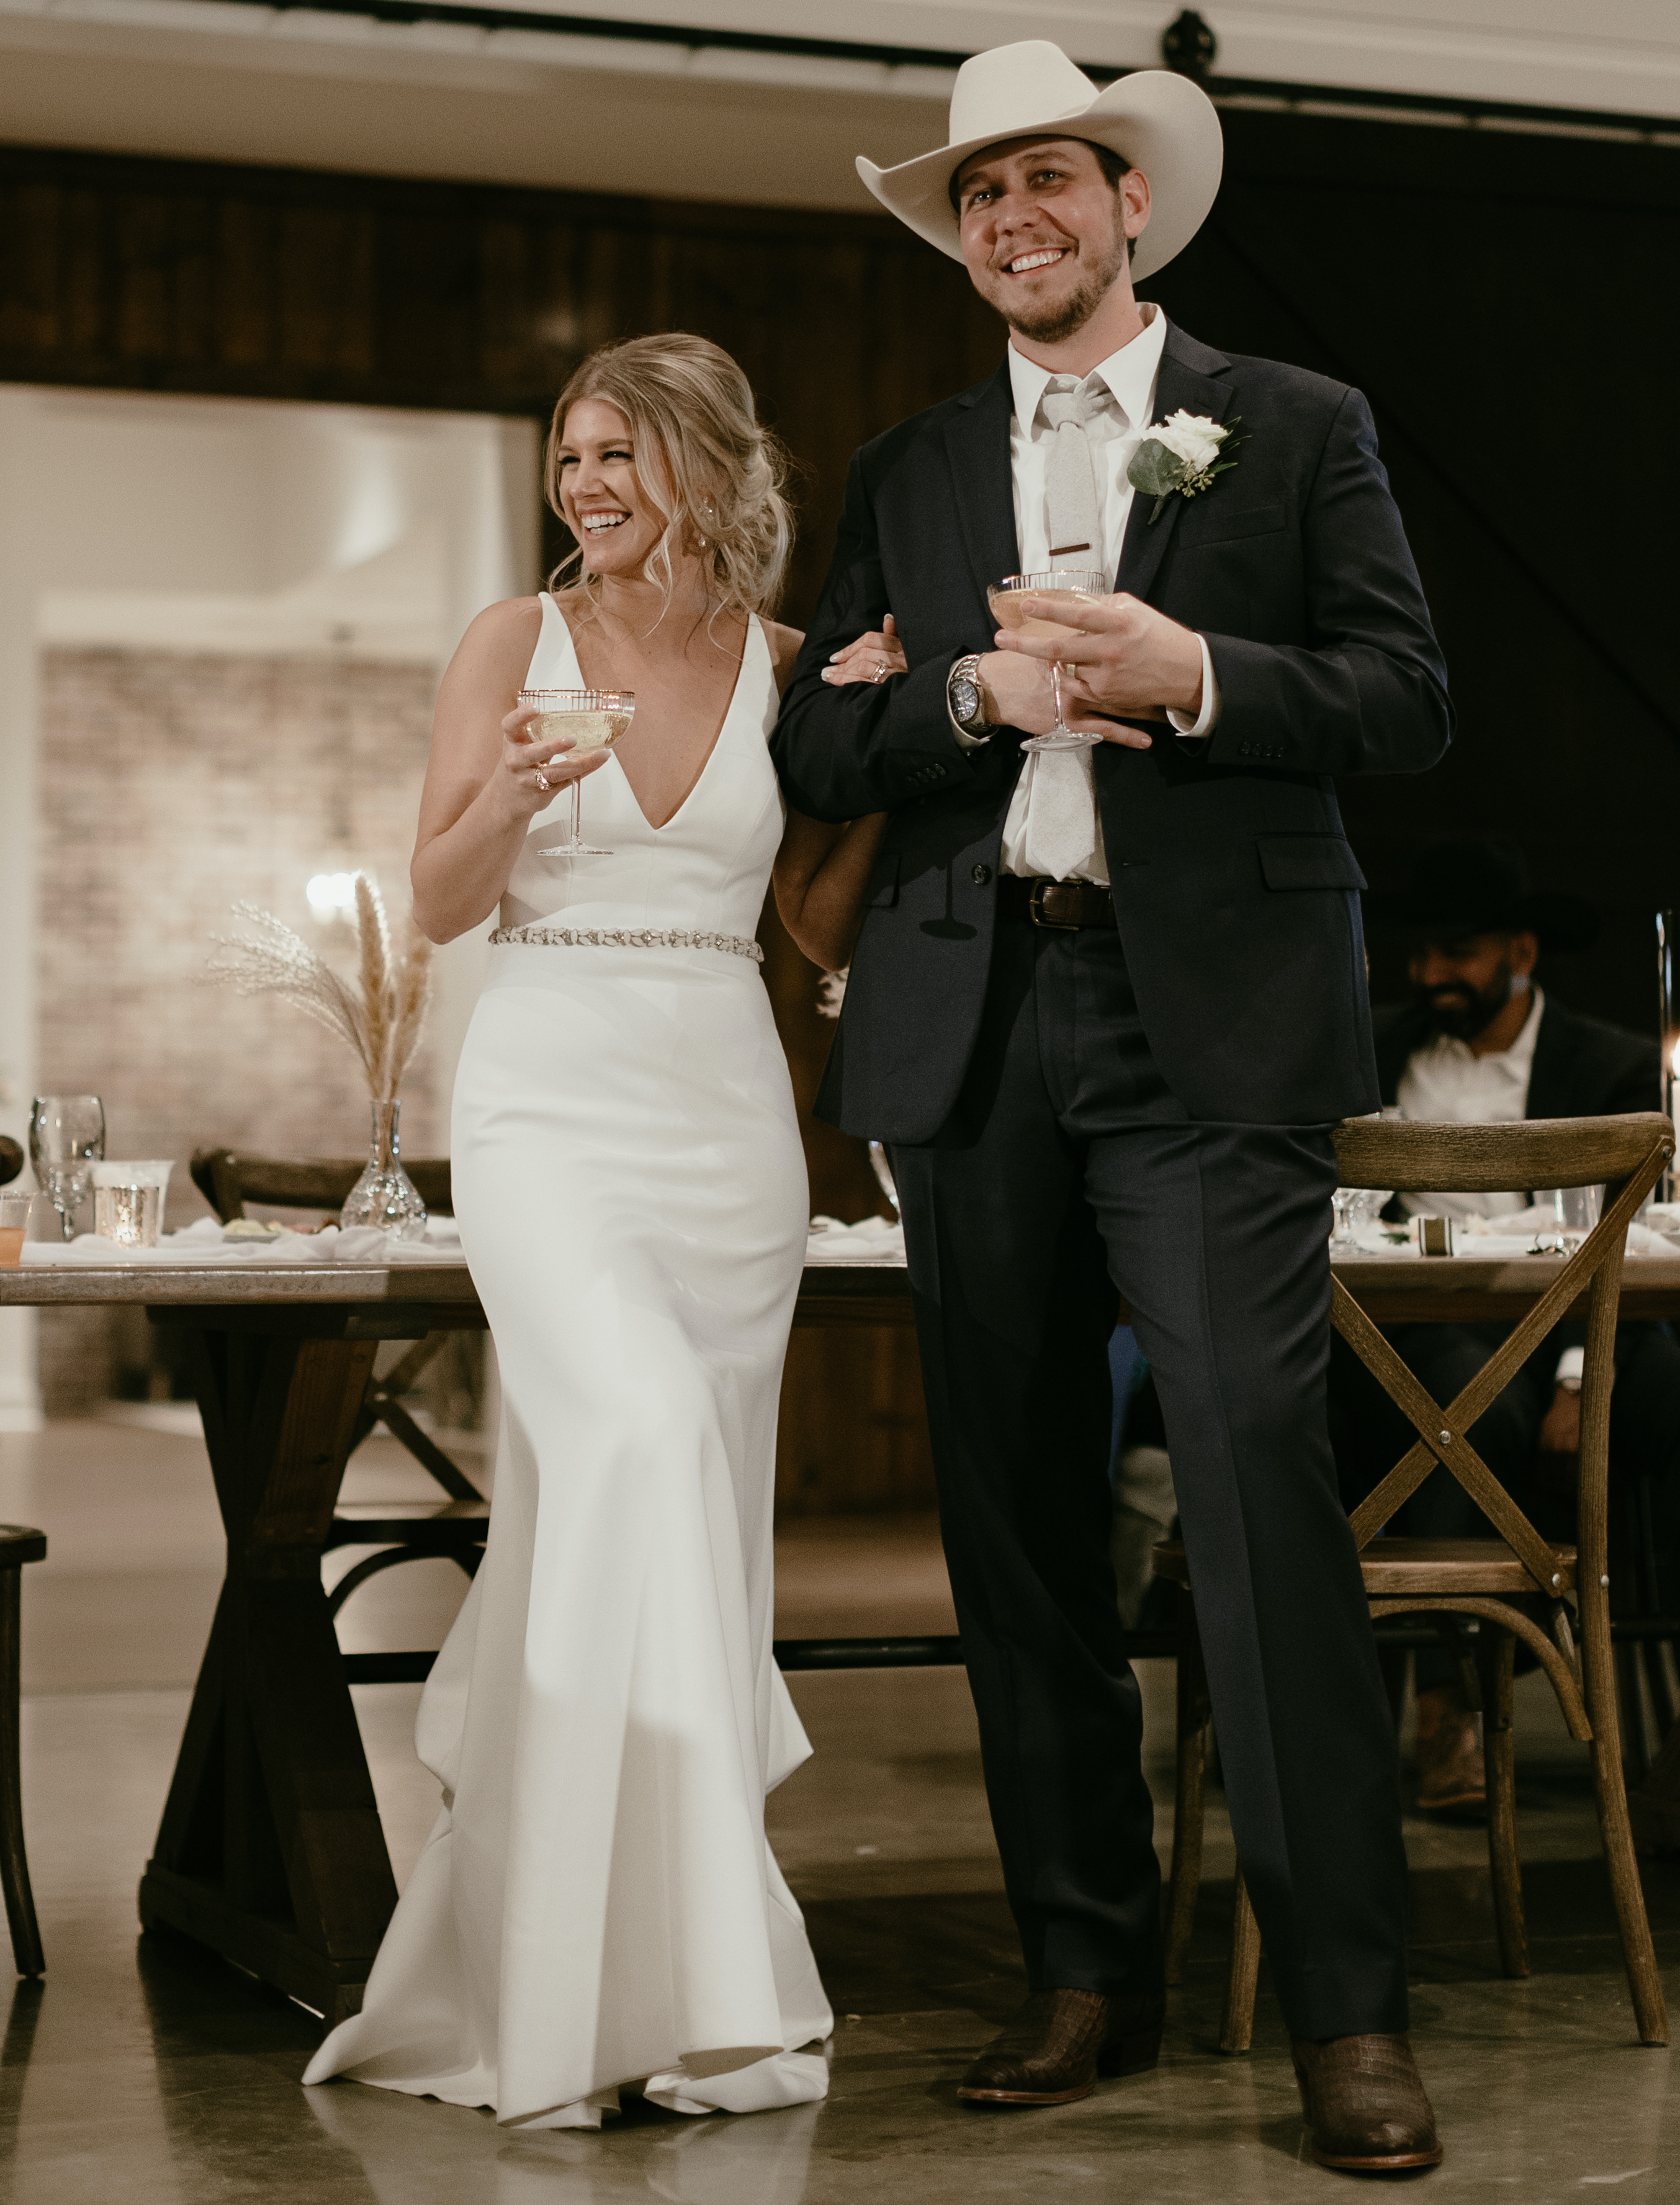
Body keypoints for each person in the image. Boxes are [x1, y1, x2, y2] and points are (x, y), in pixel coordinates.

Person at [772, 42, 1453, 2171]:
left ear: (1128, 204)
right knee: (1013, 1528)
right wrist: (959, 696)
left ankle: (1344, 2013)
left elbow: (1403, 698)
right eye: (975, 196)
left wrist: (1189, 677)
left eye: (1043, 180)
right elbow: (817, 746)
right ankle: (1083, 1967)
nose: (1007, 222)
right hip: (974, 1027)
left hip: (1212, 1038)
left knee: (1252, 1493)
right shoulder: (903, 469)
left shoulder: (1290, 426)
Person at [303, 333, 882, 2129]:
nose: (587, 487)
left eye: (619, 455)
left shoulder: (779, 663)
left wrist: (880, 772)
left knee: (679, 1529)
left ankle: (686, 1985)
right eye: (570, 459)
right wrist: (520, 792)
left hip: (727, 1114)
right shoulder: (511, 642)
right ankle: (561, 1989)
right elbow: (438, 896)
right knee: (622, 1445)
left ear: (708, 465)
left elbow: (810, 929)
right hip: (549, 1094)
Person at [1336, 838, 1673, 1811]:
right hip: (1427, 1337)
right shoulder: (1372, 1052)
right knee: (1465, 1408)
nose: (1432, 973)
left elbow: (1628, 1234)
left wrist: (1578, 1377)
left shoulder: (1609, 1065)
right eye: (1423, 954)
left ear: (1521, 951)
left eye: (1460, 952)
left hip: (1585, 1329)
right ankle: (1454, 1716)